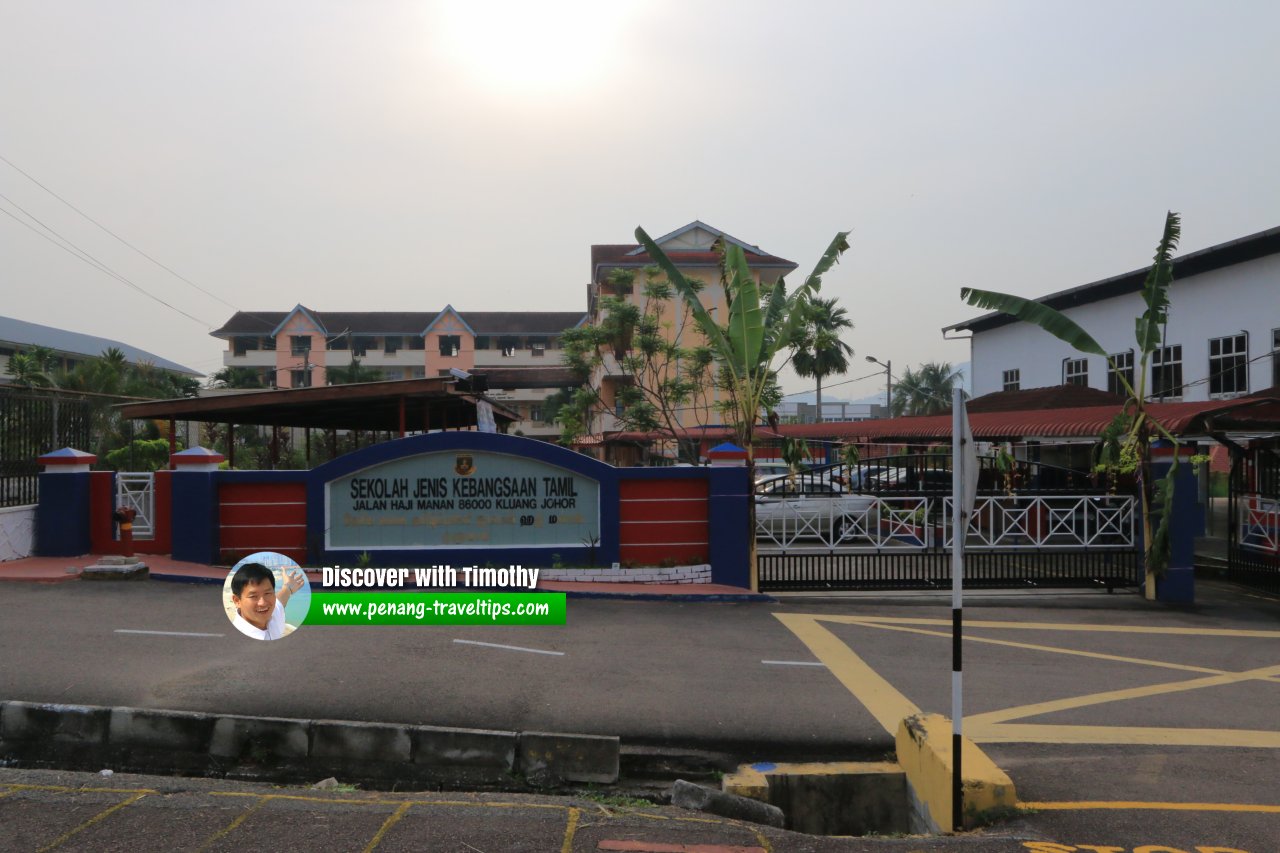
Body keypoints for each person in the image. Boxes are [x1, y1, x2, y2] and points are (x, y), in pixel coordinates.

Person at [229, 562, 304, 640]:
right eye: (253, 596)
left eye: (267, 593)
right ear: (237, 601)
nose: (263, 603)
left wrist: (288, 587)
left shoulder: (273, 614)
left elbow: (280, 600)